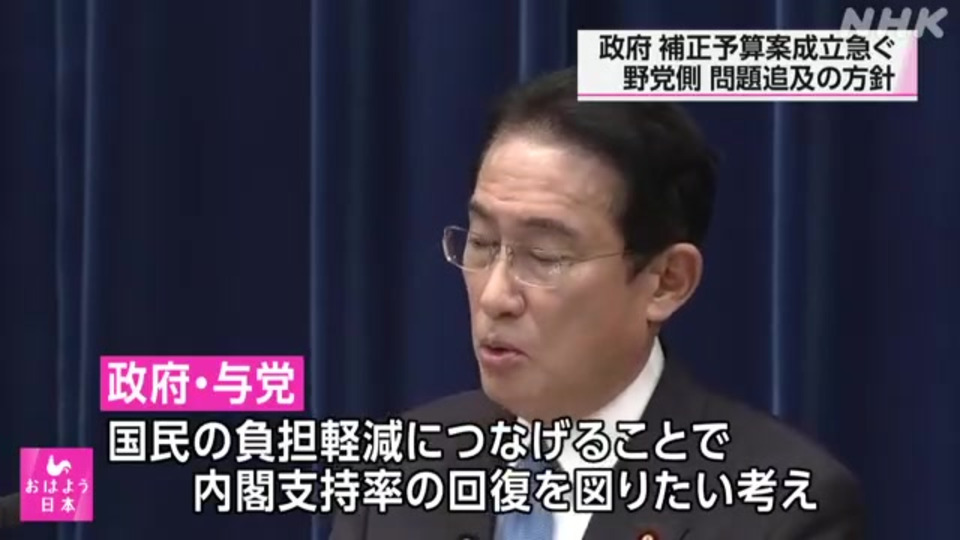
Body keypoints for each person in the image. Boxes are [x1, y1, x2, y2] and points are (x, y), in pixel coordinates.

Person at [329, 66, 864, 540]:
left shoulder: (781, 510)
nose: (494, 296)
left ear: (666, 282)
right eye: (483, 243)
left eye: (543, 255)